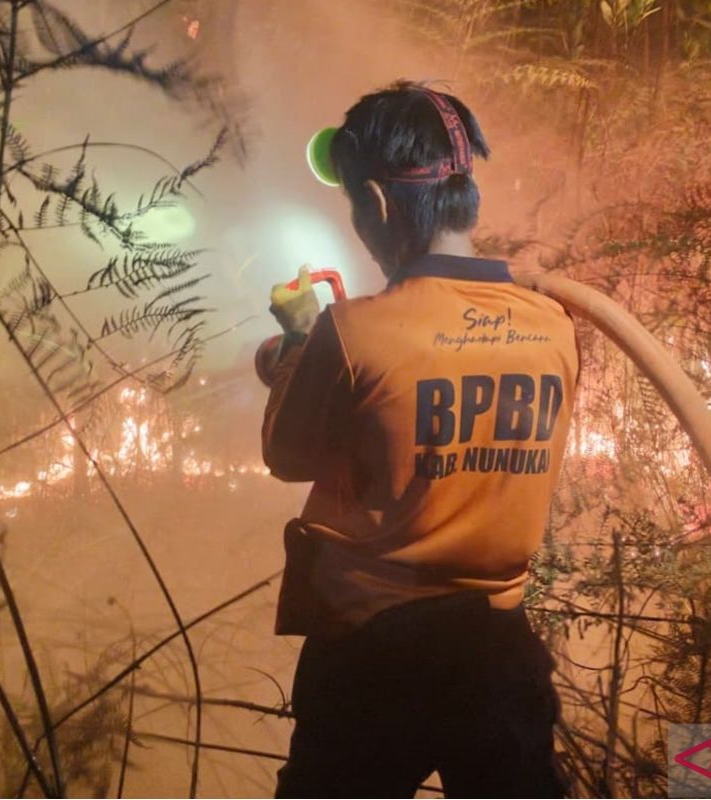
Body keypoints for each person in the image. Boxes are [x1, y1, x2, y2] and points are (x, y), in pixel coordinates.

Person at [262, 82, 580, 798]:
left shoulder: (351, 331)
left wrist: (294, 345)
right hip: (500, 651)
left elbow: (287, 456)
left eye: (353, 205)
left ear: (374, 205)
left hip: (372, 658)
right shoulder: (554, 326)